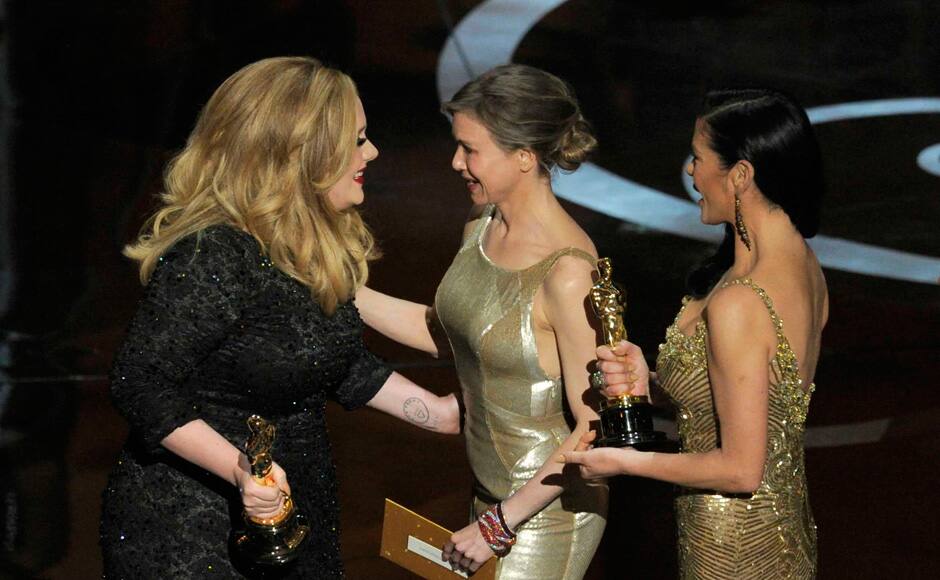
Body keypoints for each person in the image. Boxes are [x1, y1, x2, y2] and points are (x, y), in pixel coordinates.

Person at [99, 56, 460, 579]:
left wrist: (441, 412)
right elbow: (141, 383)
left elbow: (329, 359)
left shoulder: (306, 242)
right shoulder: (212, 253)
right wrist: (241, 470)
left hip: (294, 507)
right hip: (193, 528)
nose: (373, 152)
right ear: (301, 154)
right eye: (356, 140)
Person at [355, 64, 607, 578]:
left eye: (470, 149)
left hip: (546, 513)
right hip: (489, 500)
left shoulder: (569, 273)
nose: (454, 162)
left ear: (523, 157)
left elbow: (595, 427)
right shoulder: (480, 225)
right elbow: (446, 331)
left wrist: (500, 523)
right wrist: (342, 292)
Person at [563, 89, 826, 578]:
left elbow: (740, 468)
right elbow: (753, 396)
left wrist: (622, 463)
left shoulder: (739, 301)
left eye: (698, 157)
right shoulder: (803, 263)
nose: (689, 170)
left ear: (741, 175)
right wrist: (655, 386)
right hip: (783, 538)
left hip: (734, 553)